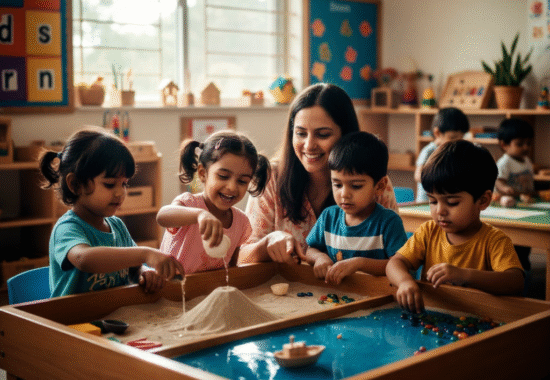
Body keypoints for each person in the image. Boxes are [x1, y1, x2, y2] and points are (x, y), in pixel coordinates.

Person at [238, 83, 398, 266]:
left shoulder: (372, 181)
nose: (309, 145)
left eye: (322, 134)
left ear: (345, 135)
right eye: (300, 133)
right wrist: (266, 245)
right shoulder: (270, 177)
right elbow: (242, 257)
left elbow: (398, 261)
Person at [40, 127, 184, 298]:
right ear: (76, 184)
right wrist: (146, 254)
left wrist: (143, 273)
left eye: (124, 184)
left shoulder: (117, 226)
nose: (120, 193)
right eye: (109, 184)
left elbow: (132, 268)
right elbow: (84, 259)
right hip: (75, 320)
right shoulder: (67, 228)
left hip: (116, 315)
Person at [386, 140, 524, 314]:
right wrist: (404, 282)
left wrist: (463, 275)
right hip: (434, 315)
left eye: (452, 202)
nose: (440, 211)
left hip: (479, 318)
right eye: (433, 201)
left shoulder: (494, 240)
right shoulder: (429, 232)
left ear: (483, 200)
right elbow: (395, 263)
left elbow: (515, 281)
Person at [157, 130, 270, 274]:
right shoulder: (189, 204)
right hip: (174, 289)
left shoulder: (241, 222)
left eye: (242, 181)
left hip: (211, 291)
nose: (232, 187)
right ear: (203, 173)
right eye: (223, 176)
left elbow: (232, 270)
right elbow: (162, 216)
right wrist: (199, 215)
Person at [305, 132, 407, 284]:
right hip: (339, 295)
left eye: (356, 186)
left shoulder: (389, 223)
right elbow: (310, 249)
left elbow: (401, 265)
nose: (344, 194)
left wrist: (360, 263)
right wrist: (319, 257)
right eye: (337, 184)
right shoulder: (328, 217)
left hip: (377, 296)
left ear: (379, 186)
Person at [494, 118, 535, 271]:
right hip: (509, 207)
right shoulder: (505, 163)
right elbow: (498, 180)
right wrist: (504, 187)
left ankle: (524, 265)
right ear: (504, 145)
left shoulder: (526, 161)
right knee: (513, 243)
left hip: (524, 205)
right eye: (520, 144)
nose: (525, 147)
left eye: (528, 143)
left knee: (526, 241)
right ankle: (515, 268)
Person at [415, 107, 469, 203]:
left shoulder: (455, 152)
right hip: (426, 203)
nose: (457, 142)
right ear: (437, 133)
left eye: (461, 138)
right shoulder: (429, 151)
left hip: (446, 203)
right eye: (453, 137)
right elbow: (418, 175)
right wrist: (440, 182)